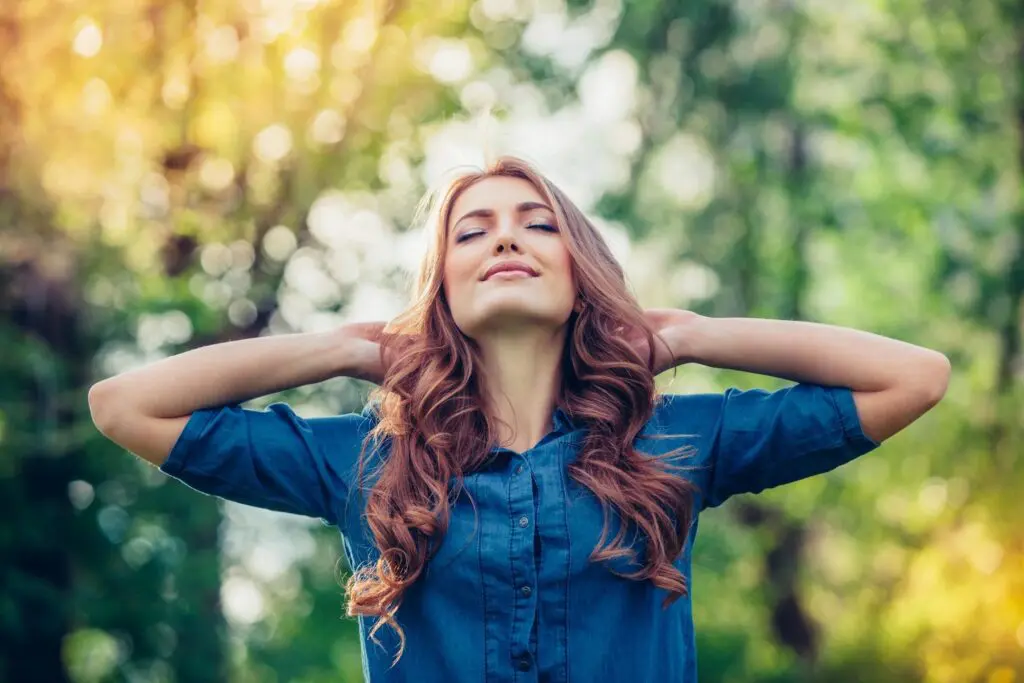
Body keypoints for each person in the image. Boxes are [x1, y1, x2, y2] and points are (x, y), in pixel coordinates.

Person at [88, 155, 951, 682]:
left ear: (579, 275)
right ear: (443, 288)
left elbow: (912, 377)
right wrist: (350, 347)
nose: (506, 239)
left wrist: (689, 336)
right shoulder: (363, 462)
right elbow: (126, 405)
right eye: (473, 232)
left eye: (538, 225)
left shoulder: (680, 442)